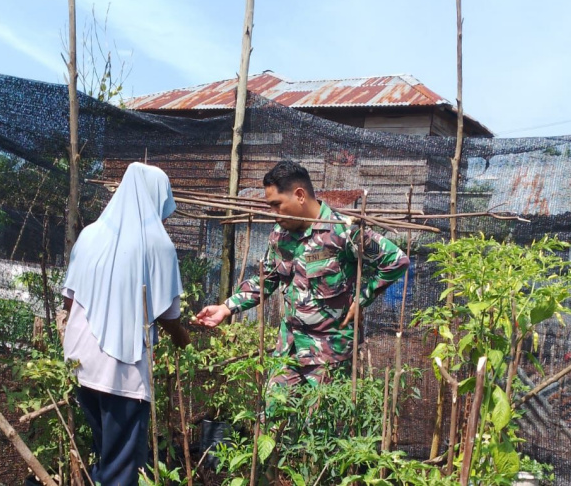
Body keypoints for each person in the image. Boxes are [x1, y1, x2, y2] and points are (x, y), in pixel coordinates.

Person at [194, 160, 409, 388]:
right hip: (289, 350)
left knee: (319, 422)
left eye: (277, 204)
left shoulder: (343, 231)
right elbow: (266, 279)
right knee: (274, 418)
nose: (273, 213)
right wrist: (226, 307)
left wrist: (361, 299)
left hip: (329, 355)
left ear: (299, 195)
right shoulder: (280, 235)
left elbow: (396, 260)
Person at [61, 162, 190, 486]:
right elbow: (167, 315)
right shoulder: (158, 245)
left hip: (81, 364)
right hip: (121, 373)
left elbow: (69, 300)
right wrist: (183, 339)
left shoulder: (90, 234)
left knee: (103, 453)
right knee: (121, 470)